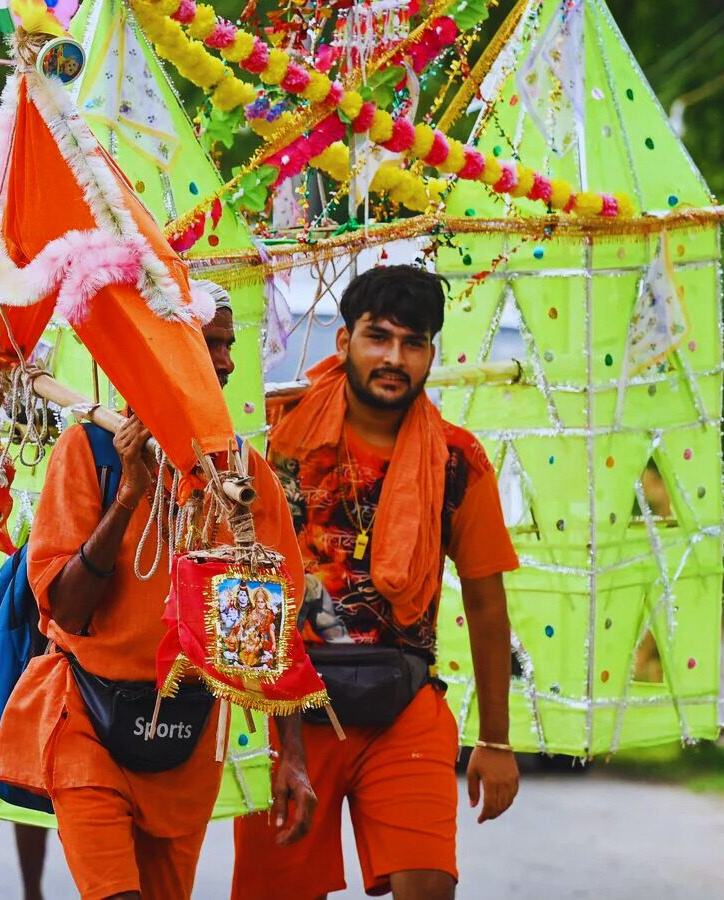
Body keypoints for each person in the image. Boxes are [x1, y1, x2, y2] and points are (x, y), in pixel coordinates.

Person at [0, 290, 318, 900]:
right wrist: (128, 496)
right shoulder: (89, 451)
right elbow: (67, 611)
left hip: (185, 737)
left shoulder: (244, 475)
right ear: (159, 351)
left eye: (228, 345)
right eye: (208, 344)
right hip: (84, 715)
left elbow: (270, 638)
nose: (225, 362)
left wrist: (292, 758)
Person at [231, 265, 521, 900]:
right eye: (378, 337)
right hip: (286, 707)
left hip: (403, 700)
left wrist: (496, 741)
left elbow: (486, 601)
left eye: (413, 343)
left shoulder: (457, 460)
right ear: (344, 342)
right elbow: (229, 569)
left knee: (430, 885)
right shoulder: (271, 434)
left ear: (430, 355)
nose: (394, 358)